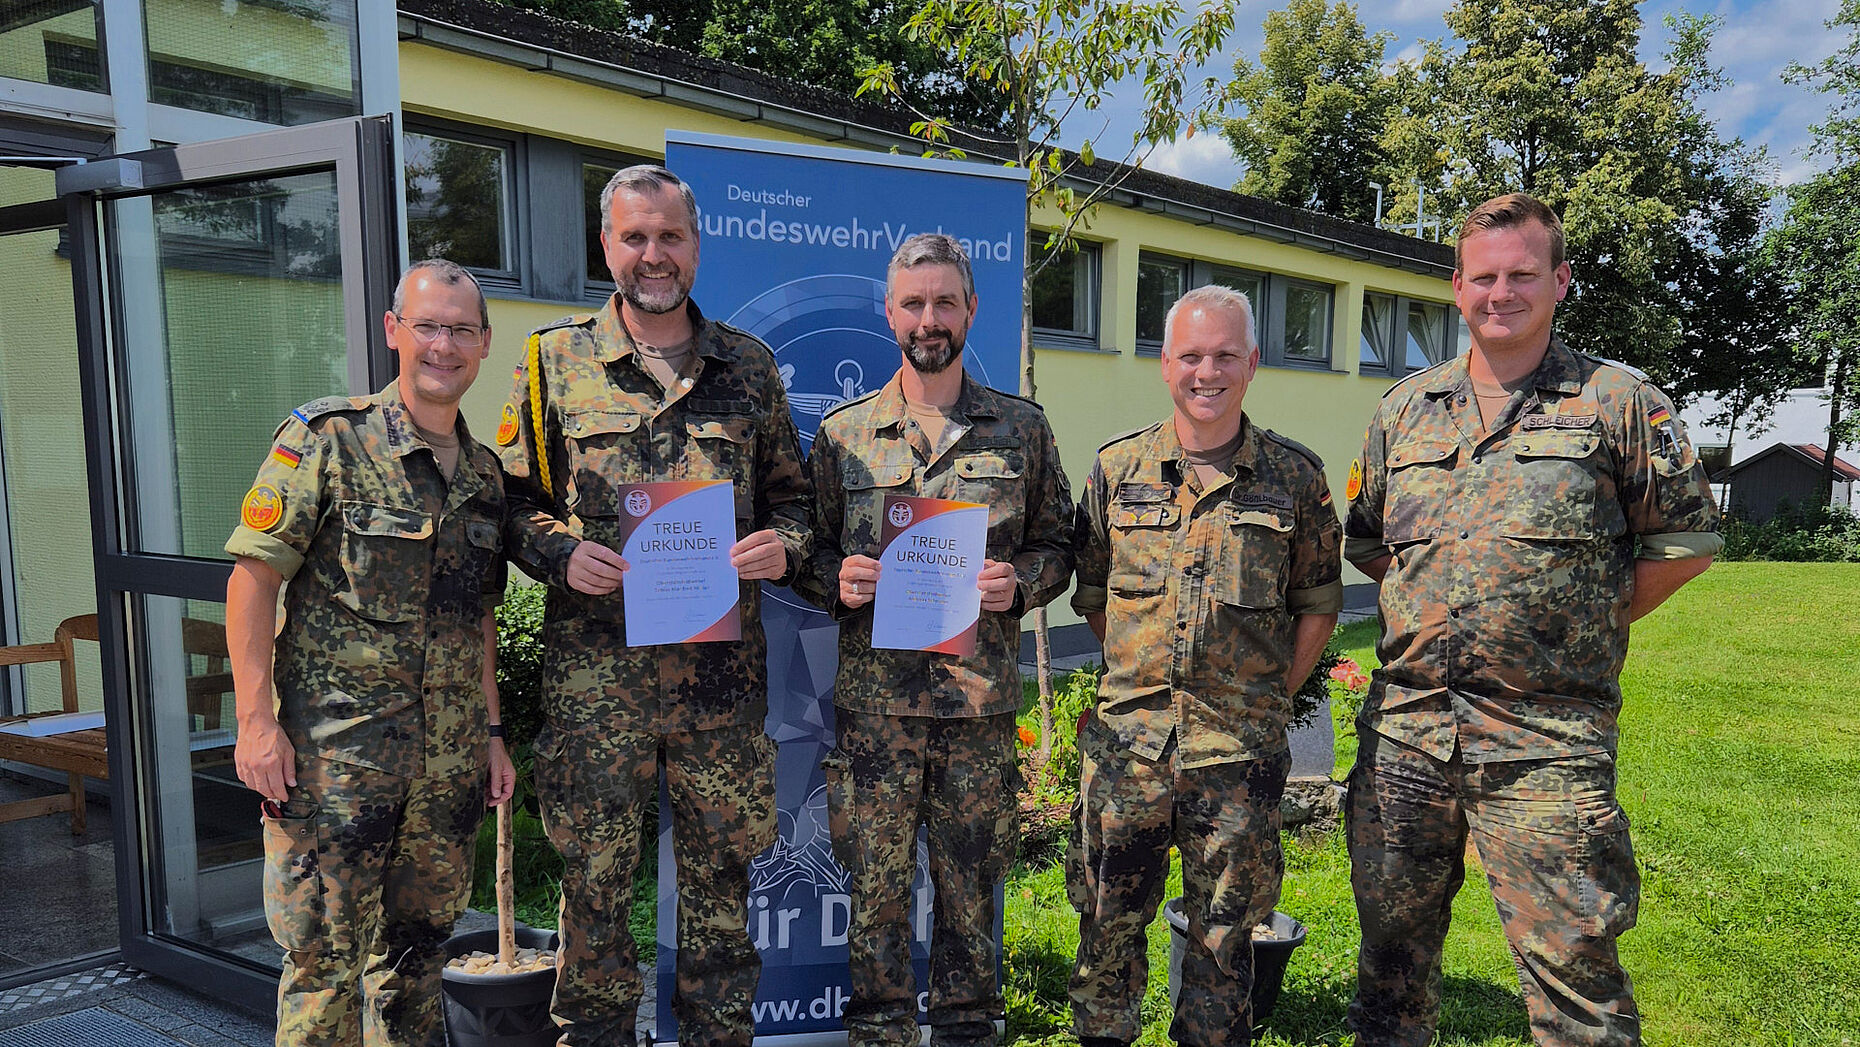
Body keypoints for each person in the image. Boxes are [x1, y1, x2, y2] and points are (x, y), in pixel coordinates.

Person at [1341, 193, 1720, 1047]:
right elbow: (1370, 544)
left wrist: (1579, 616)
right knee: (1388, 975)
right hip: (1407, 738)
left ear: (1560, 280)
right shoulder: (1405, 411)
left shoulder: (1619, 404)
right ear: (1456, 286)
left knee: (1576, 982)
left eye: (1521, 274)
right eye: (1484, 276)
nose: (1500, 292)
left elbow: (1685, 543)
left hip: (1544, 738)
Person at [496, 164, 811, 1047]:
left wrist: (781, 544)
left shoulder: (749, 366)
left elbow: (796, 500)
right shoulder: (551, 361)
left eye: (670, 236)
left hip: (719, 692)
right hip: (599, 690)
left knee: (722, 892)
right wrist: (562, 555)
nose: (654, 254)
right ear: (607, 245)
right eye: (635, 236)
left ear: (697, 246)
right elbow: (510, 502)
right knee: (593, 891)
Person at [226, 259, 516, 1047]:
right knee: (324, 974)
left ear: (484, 343)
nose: (443, 345)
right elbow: (252, 582)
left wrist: (491, 735)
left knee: (417, 966)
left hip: (446, 770)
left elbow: (475, 618)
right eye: (428, 325)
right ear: (394, 331)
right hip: (334, 766)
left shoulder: (486, 477)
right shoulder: (329, 440)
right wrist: (256, 724)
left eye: (461, 329)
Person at [797, 233, 1074, 1047]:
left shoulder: (1021, 430)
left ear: (970, 309)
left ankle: (965, 1033)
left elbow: (1062, 541)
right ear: (889, 314)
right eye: (913, 303)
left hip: (976, 714)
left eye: (945, 301)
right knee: (874, 895)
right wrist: (834, 580)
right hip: (875, 716)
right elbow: (804, 545)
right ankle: (880, 1034)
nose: (930, 318)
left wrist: (1020, 582)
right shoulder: (844, 435)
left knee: (969, 895)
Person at [1068, 285, 1342, 1047]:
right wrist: (1142, 671)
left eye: (1225, 354)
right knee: (1106, 931)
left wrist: (1263, 698)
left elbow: (1317, 604)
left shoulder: (1294, 478)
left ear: (1252, 362)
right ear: (1165, 364)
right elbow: (1096, 594)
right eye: (1191, 355)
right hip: (1129, 754)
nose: (1207, 371)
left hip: (1239, 760)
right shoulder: (1117, 469)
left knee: (1227, 944)